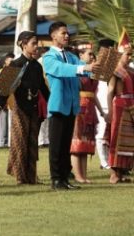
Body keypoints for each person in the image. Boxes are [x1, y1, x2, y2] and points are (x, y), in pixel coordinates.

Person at [43, 22, 98, 190]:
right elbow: (61, 69)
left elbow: (84, 70)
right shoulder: (49, 57)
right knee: (56, 145)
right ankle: (56, 179)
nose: (67, 36)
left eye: (67, 33)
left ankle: (65, 178)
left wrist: (99, 67)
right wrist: (83, 67)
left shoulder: (71, 56)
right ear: (53, 36)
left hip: (72, 105)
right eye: (63, 33)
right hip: (58, 105)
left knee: (66, 144)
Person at [0, 31, 50, 185]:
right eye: (33, 44)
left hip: (34, 109)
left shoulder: (37, 66)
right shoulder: (15, 64)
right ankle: (20, 177)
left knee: (32, 143)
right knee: (20, 143)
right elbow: (4, 88)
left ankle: (31, 176)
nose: (36, 47)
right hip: (20, 109)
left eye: (37, 44)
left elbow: (43, 89)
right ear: (23, 45)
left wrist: (53, 102)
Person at [70, 44, 107, 183]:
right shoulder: (76, 70)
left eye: (92, 54)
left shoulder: (93, 72)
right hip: (79, 107)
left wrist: (102, 112)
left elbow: (94, 95)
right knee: (77, 143)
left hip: (90, 107)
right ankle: (78, 176)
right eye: (89, 54)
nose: (92, 56)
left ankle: (84, 175)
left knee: (86, 143)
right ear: (80, 56)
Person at [106, 42, 134, 183]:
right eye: (127, 54)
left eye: (130, 54)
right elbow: (110, 92)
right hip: (119, 108)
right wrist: (109, 112)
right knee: (116, 140)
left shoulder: (131, 70)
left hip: (131, 107)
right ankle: (114, 174)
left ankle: (122, 172)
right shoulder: (115, 70)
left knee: (128, 141)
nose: (129, 57)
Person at [96, 39, 114, 170]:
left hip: (114, 103)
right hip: (101, 104)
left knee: (112, 135)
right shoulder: (97, 66)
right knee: (101, 134)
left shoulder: (115, 65)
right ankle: (104, 161)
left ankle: (110, 160)